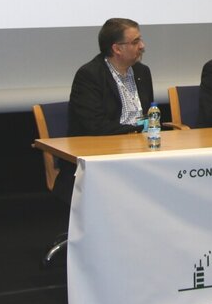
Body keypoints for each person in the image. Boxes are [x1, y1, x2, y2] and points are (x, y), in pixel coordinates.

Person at [53, 17, 168, 202]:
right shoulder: (90, 75)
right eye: (135, 42)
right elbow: (95, 126)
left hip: (141, 154)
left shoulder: (142, 72)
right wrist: (135, 131)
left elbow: (150, 115)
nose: (142, 46)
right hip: (101, 157)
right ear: (117, 49)